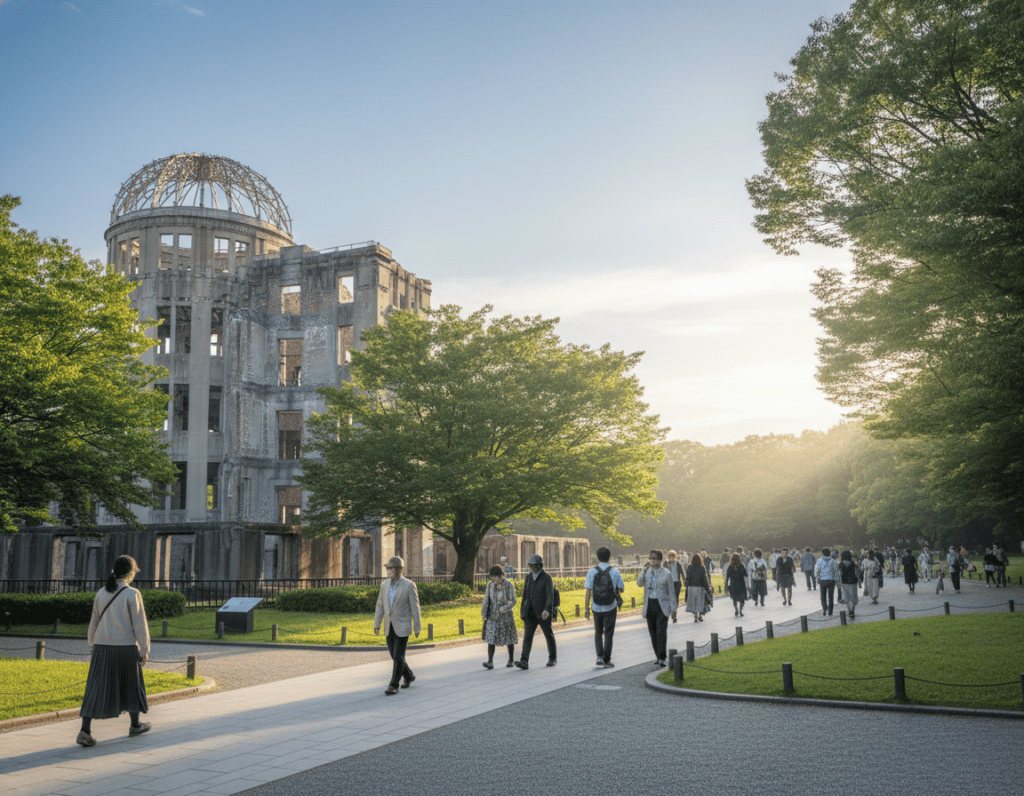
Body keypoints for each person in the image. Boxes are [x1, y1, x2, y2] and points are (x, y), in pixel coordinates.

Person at [77, 555, 151, 747]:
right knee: (132, 685)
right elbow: (140, 625)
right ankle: (135, 725)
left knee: (95, 687)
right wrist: (145, 649)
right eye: (134, 571)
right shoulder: (132, 594)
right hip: (125, 647)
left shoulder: (101, 593)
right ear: (130, 573)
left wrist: (92, 645)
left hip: (102, 647)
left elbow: (93, 622)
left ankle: (85, 730)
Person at [374, 556, 421, 695]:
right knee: (394, 656)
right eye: (387, 568)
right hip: (389, 626)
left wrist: (417, 627)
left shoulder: (409, 585)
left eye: (391, 568)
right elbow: (380, 605)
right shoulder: (384, 585)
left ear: (399, 570)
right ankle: (409, 675)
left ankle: (394, 685)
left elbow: (415, 607)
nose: (388, 571)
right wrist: (377, 623)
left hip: (403, 625)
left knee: (399, 656)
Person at [584, 546, 625, 668]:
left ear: (597, 557)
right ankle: (607, 660)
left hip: (596, 607)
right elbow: (621, 589)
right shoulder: (615, 571)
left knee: (598, 632)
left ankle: (599, 657)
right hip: (610, 606)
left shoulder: (592, 571)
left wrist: (586, 609)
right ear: (609, 557)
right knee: (608, 633)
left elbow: (588, 591)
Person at [515, 554, 557, 670]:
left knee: (548, 634)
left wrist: (547, 609)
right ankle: (524, 661)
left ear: (540, 566)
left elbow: (550, 595)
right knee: (527, 636)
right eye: (532, 565)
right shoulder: (528, 577)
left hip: (543, 612)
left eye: (536, 566)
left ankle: (552, 658)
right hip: (530, 612)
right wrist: (523, 611)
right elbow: (525, 595)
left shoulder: (546, 577)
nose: (534, 568)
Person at [637, 549, 677, 666]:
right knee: (652, 632)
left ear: (660, 560)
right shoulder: (647, 571)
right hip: (650, 604)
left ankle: (662, 657)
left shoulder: (666, 573)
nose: (652, 560)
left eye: (654, 558)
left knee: (661, 632)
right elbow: (639, 583)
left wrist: (674, 609)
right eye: (650, 558)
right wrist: (643, 570)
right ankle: (658, 656)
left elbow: (671, 592)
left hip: (662, 606)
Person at [481, 565, 517, 669]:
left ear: (501, 575)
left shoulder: (509, 585)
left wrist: (505, 608)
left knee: (509, 637)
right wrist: (484, 614)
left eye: (494, 577)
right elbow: (486, 599)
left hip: (506, 616)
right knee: (491, 638)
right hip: (493, 615)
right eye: (491, 577)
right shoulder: (490, 584)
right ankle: (490, 661)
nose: (493, 579)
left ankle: (511, 660)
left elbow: (513, 601)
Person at [685, 552, 711, 622]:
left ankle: (695, 616)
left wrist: (687, 586)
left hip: (691, 587)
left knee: (693, 602)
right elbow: (705, 578)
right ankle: (700, 616)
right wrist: (707, 587)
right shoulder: (702, 567)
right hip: (700, 587)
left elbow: (687, 577)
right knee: (699, 602)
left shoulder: (689, 567)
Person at [814, 548, 839, 616]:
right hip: (831, 580)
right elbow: (836, 571)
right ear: (830, 553)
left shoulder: (819, 561)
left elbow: (816, 570)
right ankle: (830, 611)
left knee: (823, 595)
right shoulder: (833, 561)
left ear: (822, 553)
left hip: (823, 580)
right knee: (831, 596)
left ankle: (824, 609)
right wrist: (838, 580)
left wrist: (816, 577)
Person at [837, 550, 860, 619]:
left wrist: (838, 582)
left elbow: (838, 574)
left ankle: (849, 610)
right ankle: (852, 610)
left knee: (847, 597)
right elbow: (858, 572)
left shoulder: (840, 564)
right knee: (853, 596)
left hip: (844, 582)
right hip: (853, 582)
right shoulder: (853, 564)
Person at [665, 550, 686, 623]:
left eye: (673, 556)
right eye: (670, 556)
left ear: (675, 556)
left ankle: (674, 616)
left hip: (677, 583)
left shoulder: (678, 563)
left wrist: (684, 581)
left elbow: (682, 573)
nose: (671, 557)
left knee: (675, 599)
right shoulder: (667, 563)